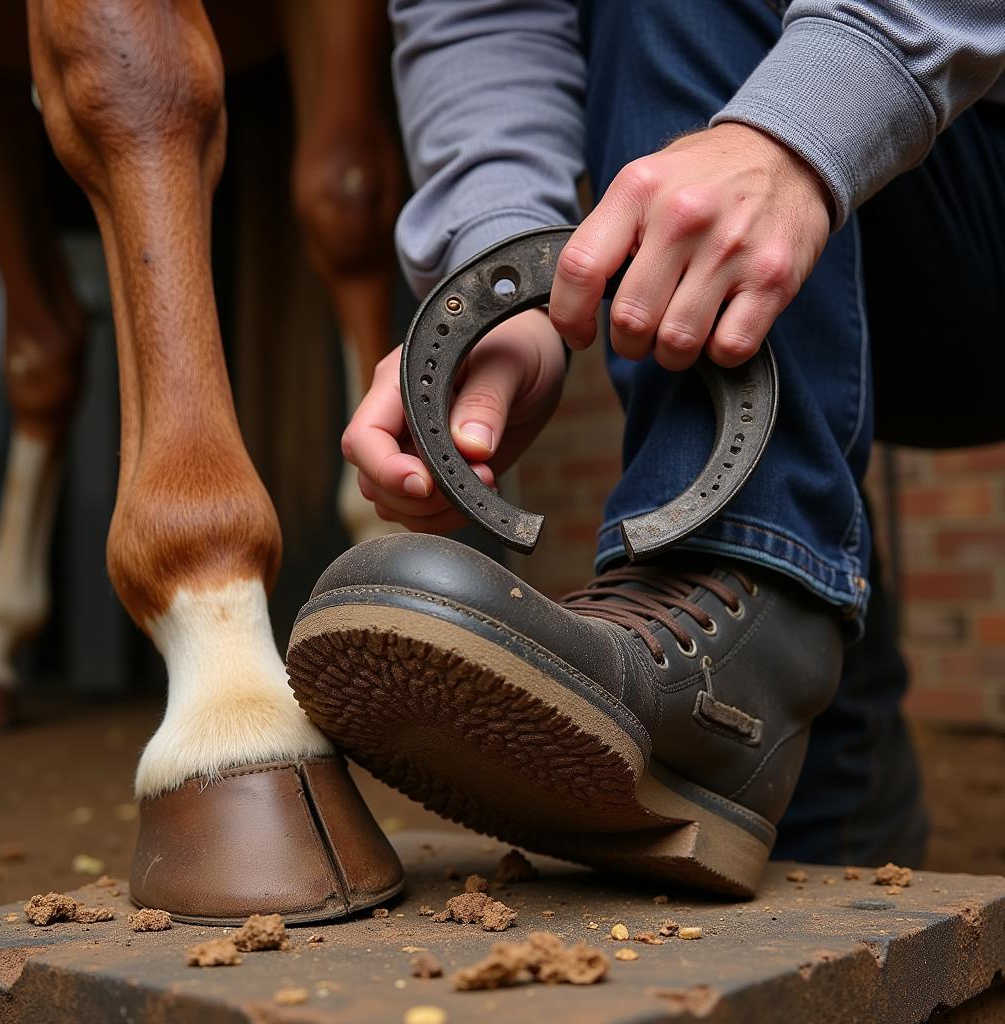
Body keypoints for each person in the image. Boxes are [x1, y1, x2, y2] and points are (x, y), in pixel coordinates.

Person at [284, 1, 1005, 890]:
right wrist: (506, 280)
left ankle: (724, 572)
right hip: (860, 271)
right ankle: (801, 749)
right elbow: (485, 14)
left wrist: (798, 129)